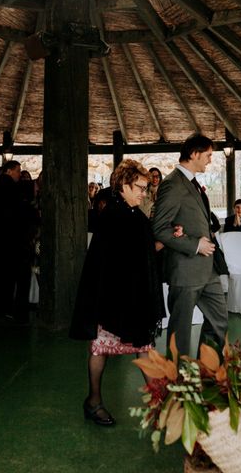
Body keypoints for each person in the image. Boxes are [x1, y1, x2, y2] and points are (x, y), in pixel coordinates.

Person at [70, 159, 165, 427]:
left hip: (133, 298)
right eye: (140, 187)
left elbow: (142, 253)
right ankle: (93, 402)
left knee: (144, 349)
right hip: (111, 299)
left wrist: (166, 241)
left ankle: (158, 405)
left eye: (146, 189)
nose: (143, 193)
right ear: (123, 185)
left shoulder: (136, 215)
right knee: (101, 349)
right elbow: (107, 263)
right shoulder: (112, 216)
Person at [152, 133, 228, 356]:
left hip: (208, 269)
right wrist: (195, 245)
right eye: (208, 155)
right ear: (194, 154)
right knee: (180, 333)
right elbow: (160, 228)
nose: (210, 160)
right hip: (185, 270)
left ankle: (208, 372)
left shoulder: (193, 184)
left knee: (219, 322)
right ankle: (179, 383)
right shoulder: (172, 184)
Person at [0, 160, 38, 323]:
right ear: (9, 171)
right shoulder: (13, 189)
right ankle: (18, 309)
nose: (19, 174)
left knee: (2, 275)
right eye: (17, 171)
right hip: (14, 240)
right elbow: (20, 213)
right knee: (20, 276)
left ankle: (0, 307)